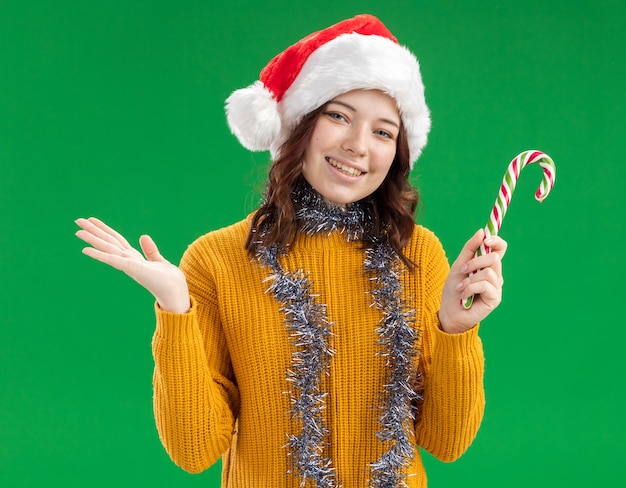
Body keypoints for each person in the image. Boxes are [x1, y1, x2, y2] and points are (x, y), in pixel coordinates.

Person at [75, 14, 506, 488]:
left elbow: (447, 442)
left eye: (383, 131)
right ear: (299, 122)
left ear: (398, 151)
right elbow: (194, 450)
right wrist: (175, 310)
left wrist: (455, 329)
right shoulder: (216, 260)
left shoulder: (418, 254)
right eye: (338, 115)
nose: (358, 146)